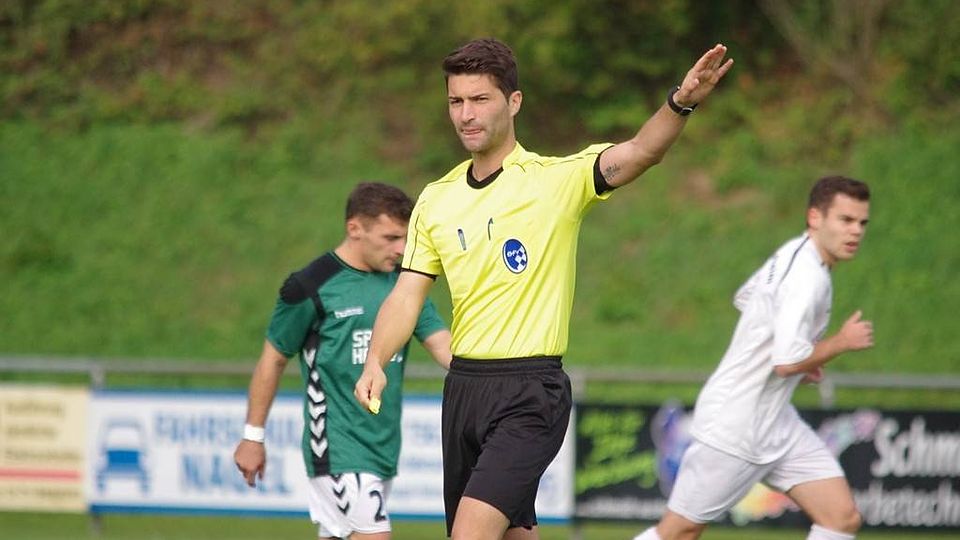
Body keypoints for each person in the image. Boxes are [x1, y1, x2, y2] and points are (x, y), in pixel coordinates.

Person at [353, 38, 733, 539]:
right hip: (463, 390)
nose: (466, 114)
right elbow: (406, 294)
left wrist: (680, 102)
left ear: (513, 102)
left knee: (470, 535)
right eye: (456, 101)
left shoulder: (555, 181)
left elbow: (641, 152)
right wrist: (376, 360)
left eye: (480, 99)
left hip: (530, 392)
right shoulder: (435, 200)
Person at [632, 175, 873, 540]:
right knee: (679, 532)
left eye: (862, 222)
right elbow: (785, 363)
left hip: (777, 423)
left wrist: (802, 355)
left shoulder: (796, 254)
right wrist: (839, 342)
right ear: (815, 217)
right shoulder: (805, 277)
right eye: (846, 220)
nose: (856, 231)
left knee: (841, 518)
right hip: (735, 425)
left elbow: (747, 298)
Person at [234, 182, 452, 540]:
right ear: (355, 228)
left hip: (383, 449)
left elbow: (442, 343)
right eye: (390, 238)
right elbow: (272, 360)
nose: (401, 249)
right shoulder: (310, 286)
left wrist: (494, 368)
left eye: (405, 238)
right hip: (337, 449)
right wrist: (252, 436)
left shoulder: (403, 285)